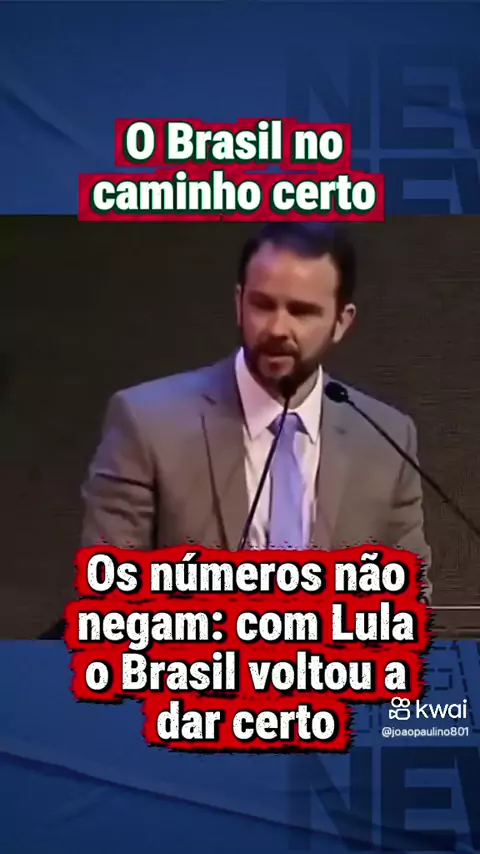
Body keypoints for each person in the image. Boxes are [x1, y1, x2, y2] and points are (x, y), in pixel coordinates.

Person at [79, 221, 432, 602]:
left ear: (341, 322)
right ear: (239, 303)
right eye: (262, 305)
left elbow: (409, 600)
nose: (277, 328)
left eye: (302, 312)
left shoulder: (385, 439)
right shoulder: (147, 423)